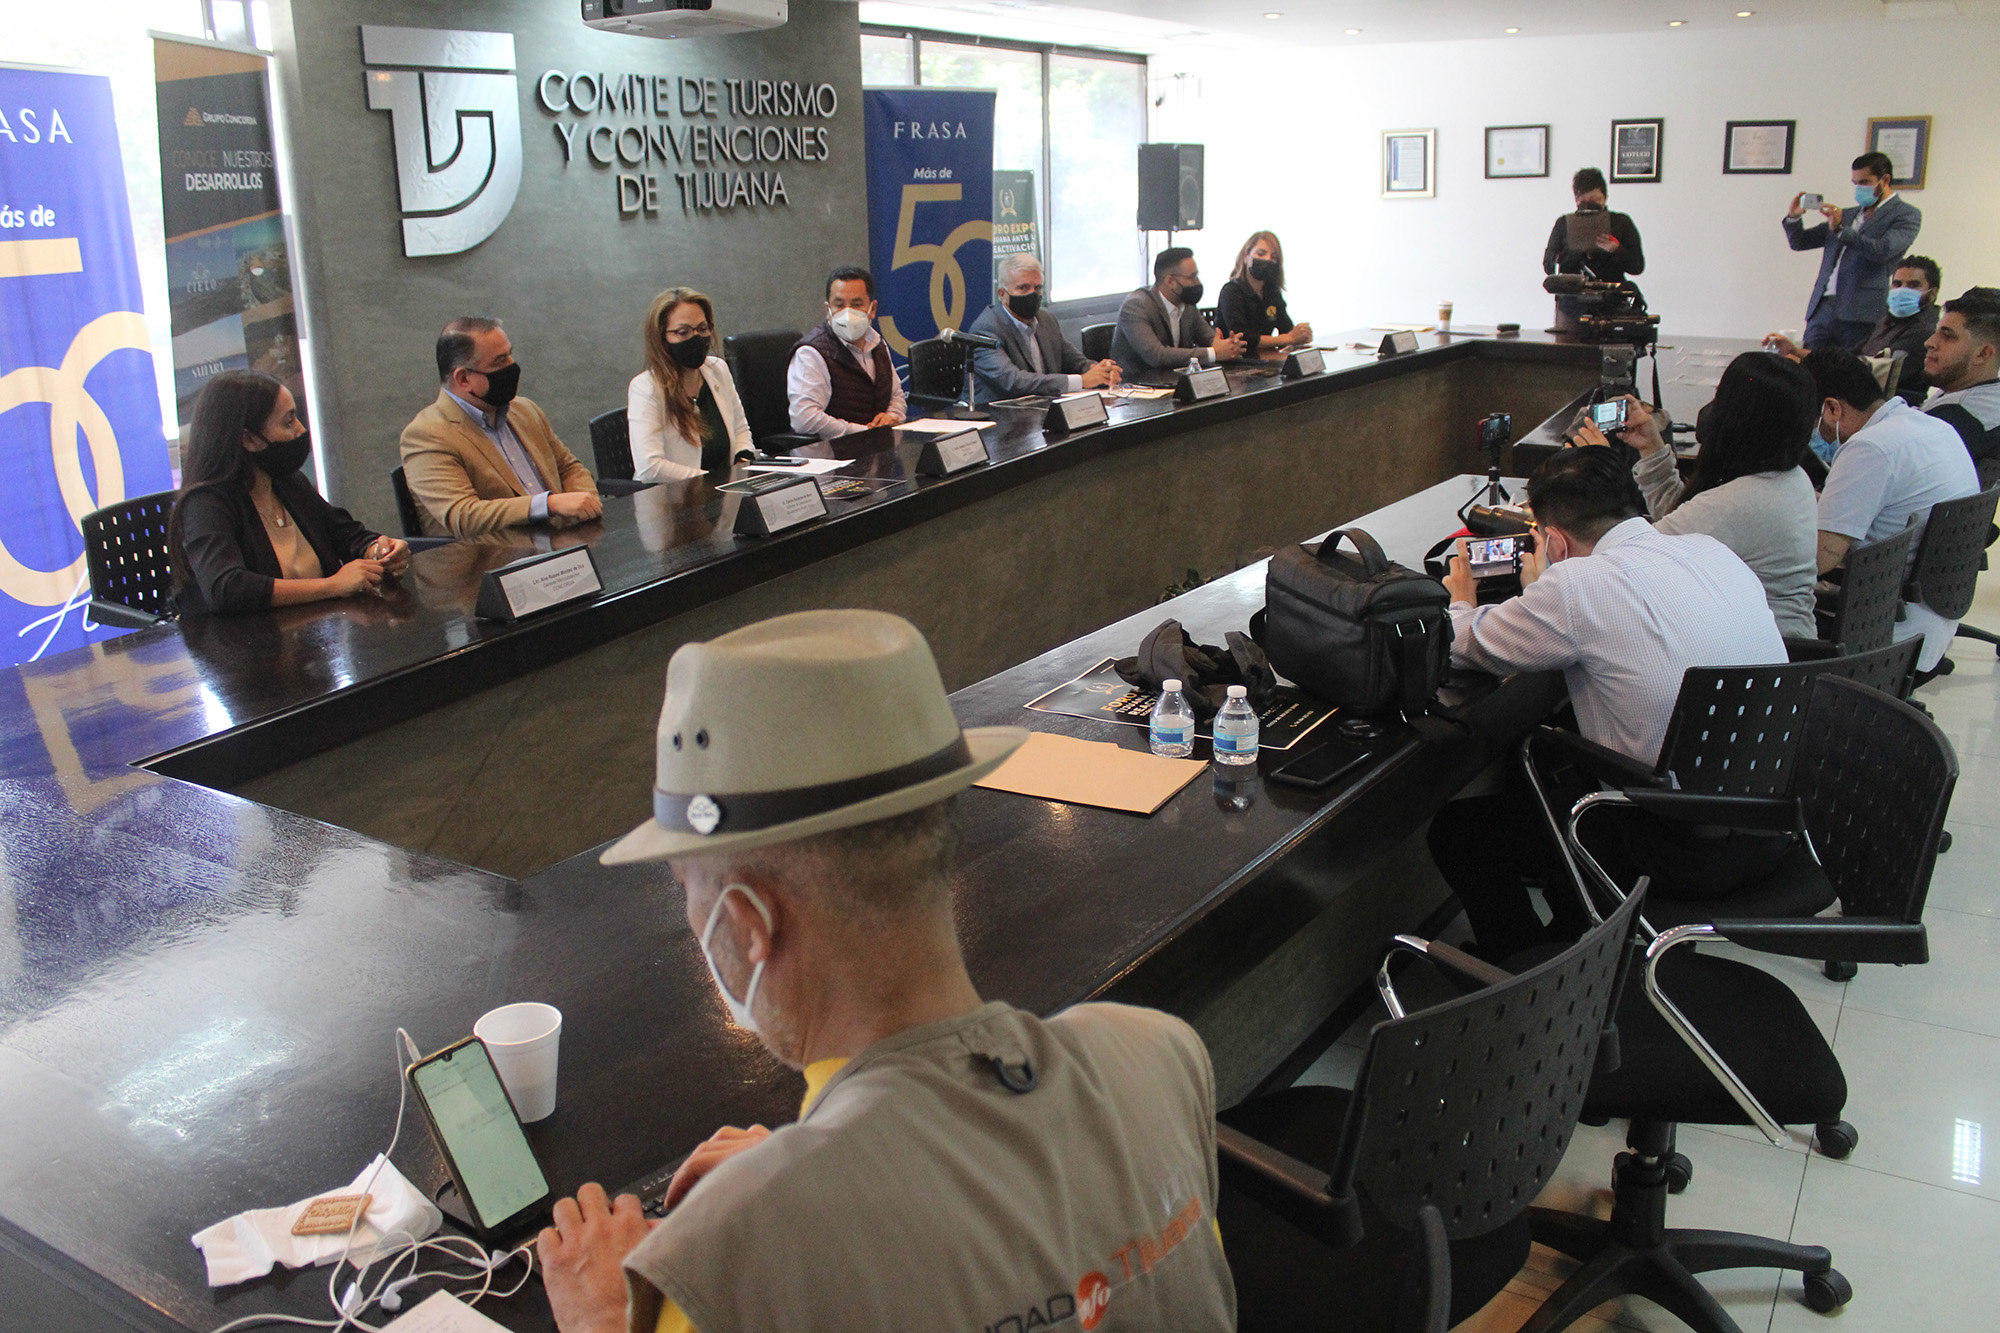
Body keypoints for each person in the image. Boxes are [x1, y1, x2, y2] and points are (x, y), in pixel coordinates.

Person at [536, 610, 1235, 1333]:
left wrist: (610, 1315)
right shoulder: (1157, 1055)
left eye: (687, 887)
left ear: (747, 924)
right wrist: (806, 1176)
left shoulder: (724, 1270)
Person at [1426, 448, 1785, 960]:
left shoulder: (1579, 586)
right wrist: (1547, 591)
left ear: (1553, 541)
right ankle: (1573, 935)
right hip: (1770, 827)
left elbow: (1463, 644)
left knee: (1460, 831)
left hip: (1677, 851)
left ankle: (1520, 969)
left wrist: (1461, 597)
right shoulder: (1712, 551)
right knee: (1550, 760)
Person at [1574, 353, 1820, 638]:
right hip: (1784, 644)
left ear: (1738, 417)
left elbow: (1625, 560)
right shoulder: (1792, 478)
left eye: (1720, 398)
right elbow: (1683, 523)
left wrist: (1600, 469)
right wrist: (1651, 448)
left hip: (1761, 654)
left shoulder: (1739, 503)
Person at [169, 370, 410, 615]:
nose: (301, 430)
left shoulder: (288, 482)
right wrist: (332, 585)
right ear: (249, 439)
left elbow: (344, 534)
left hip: (316, 629)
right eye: (288, 422)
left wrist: (378, 550)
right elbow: (227, 588)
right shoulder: (205, 504)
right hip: (252, 637)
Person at [1807, 348, 1978, 671]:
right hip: (1928, 619)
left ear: (1831, 408)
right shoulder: (1934, 427)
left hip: (1878, 630)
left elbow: (1819, 559)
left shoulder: (1869, 448)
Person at [400, 317, 602, 539]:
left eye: (509, 355)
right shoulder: (427, 434)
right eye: (499, 361)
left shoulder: (524, 410)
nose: (512, 366)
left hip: (560, 543)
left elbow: (568, 467)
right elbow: (463, 515)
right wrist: (548, 505)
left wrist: (585, 501)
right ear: (464, 378)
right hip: (490, 556)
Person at [1782, 152, 1922, 352]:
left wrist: (1841, 230)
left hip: (1861, 313)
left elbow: (1883, 251)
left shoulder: (1906, 214)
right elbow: (1800, 242)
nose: (1859, 188)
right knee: (1810, 364)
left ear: (1885, 180)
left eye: (1865, 182)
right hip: (1822, 309)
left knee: (1851, 367)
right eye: (1855, 183)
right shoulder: (1846, 215)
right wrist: (1794, 218)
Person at [1766, 256, 1941, 404]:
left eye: (1913, 285)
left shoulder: (1925, 333)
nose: (1902, 290)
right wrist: (1795, 351)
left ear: (1932, 293)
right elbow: (1847, 357)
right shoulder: (1887, 322)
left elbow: (1865, 373)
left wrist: (1807, 366)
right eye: (1897, 284)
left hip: (1881, 409)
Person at [629, 288, 756, 484]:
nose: (696, 338)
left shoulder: (718, 369)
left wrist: (743, 460)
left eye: (702, 329)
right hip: (674, 497)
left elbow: (740, 429)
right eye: (683, 332)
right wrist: (710, 481)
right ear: (661, 339)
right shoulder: (646, 388)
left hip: (727, 492)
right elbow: (650, 467)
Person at [967, 252, 1120, 404]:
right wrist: (1082, 381)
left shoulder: (1046, 319)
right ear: (1002, 293)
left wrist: (1101, 372)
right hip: (998, 413)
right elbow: (1013, 381)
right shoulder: (986, 329)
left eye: (1038, 288)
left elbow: (1074, 361)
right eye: (1023, 288)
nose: (1032, 294)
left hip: (1042, 408)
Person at [786, 265, 907, 439]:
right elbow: (804, 419)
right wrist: (862, 431)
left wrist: (892, 416)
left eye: (856, 305)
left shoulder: (877, 343)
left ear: (872, 309)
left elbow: (896, 395)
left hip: (876, 447)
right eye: (839, 305)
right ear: (828, 310)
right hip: (832, 451)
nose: (847, 313)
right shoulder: (811, 353)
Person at [1110, 247, 1247, 385]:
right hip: (1136, 387)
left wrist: (1227, 346)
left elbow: (1208, 337)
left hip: (1175, 382)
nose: (1198, 283)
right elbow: (1157, 355)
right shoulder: (1136, 306)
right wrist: (1214, 353)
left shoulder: (1187, 304)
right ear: (1170, 281)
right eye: (1192, 277)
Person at [1542, 168, 1645, 323]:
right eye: (1583, 201)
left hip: (1612, 303)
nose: (1589, 206)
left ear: (1605, 197)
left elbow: (1637, 267)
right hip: (1572, 305)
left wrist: (1616, 250)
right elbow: (1549, 266)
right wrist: (1574, 252)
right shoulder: (1564, 223)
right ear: (1576, 199)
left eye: (1595, 200)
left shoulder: (1621, 222)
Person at [1921, 285, 2000, 484]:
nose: (1930, 342)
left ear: (1983, 354)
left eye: (1948, 336)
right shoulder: (1982, 394)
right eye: (1936, 332)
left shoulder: (1956, 418)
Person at [1215, 231, 1312, 354]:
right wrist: (1287, 338)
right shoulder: (1231, 291)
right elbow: (1242, 337)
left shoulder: (1271, 292)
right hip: (1236, 359)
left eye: (1274, 257)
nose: (1267, 260)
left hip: (1265, 358)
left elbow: (1286, 328)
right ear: (1246, 256)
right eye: (1261, 254)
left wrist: (1301, 334)